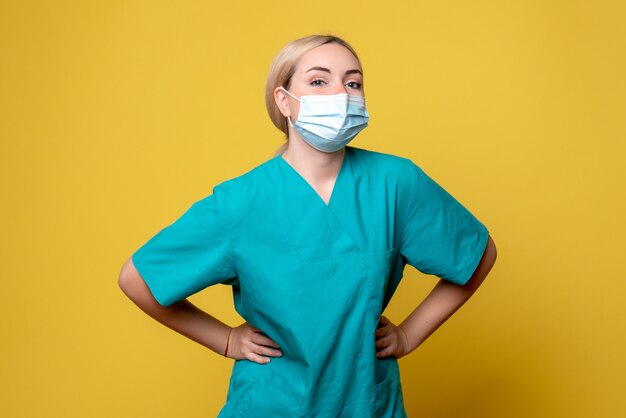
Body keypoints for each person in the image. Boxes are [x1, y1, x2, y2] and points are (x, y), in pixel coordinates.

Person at [118, 34, 497, 418]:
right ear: (284, 101)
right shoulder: (241, 203)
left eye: (353, 83)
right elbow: (138, 279)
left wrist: (409, 334)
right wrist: (226, 339)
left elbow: (476, 254)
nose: (340, 93)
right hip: (272, 404)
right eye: (319, 81)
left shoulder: (396, 183)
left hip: (365, 402)